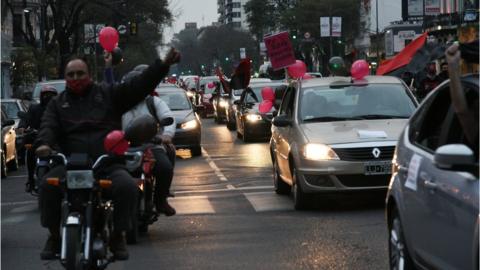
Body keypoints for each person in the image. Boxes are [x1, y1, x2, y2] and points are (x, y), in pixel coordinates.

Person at [35, 48, 180, 261]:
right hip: (71, 165)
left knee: (128, 187)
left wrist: (163, 65)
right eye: (71, 74)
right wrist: (44, 144)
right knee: (47, 186)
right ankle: (55, 235)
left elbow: (139, 86)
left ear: (89, 75)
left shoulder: (108, 94)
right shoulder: (58, 104)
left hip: (106, 163)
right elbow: (48, 126)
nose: (76, 78)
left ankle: (118, 235)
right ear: (65, 78)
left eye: (80, 73)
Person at [120, 65, 177, 216]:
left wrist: (166, 135)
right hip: (123, 148)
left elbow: (168, 117)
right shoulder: (118, 103)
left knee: (165, 168)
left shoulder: (153, 102)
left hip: (150, 146)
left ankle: (161, 201)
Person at [17, 85, 57, 193]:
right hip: (38, 138)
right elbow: (26, 118)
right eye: (46, 95)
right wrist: (22, 127)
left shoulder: (59, 109)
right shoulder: (35, 108)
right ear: (41, 96)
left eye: (51, 95)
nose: (48, 97)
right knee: (30, 152)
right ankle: (30, 179)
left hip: (55, 140)